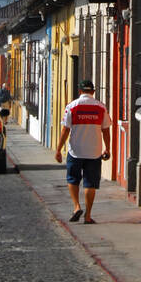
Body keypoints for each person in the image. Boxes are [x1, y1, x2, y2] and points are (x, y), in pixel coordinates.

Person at [55, 78, 111, 224]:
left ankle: (76, 206)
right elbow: (106, 130)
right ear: (93, 91)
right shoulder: (101, 107)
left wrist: (59, 149)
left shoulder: (72, 106)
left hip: (75, 151)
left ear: (80, 91)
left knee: (73, 179)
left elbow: (65, 130)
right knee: (90, 183)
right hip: (94, 151)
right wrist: (108, 148)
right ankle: (88, 215)